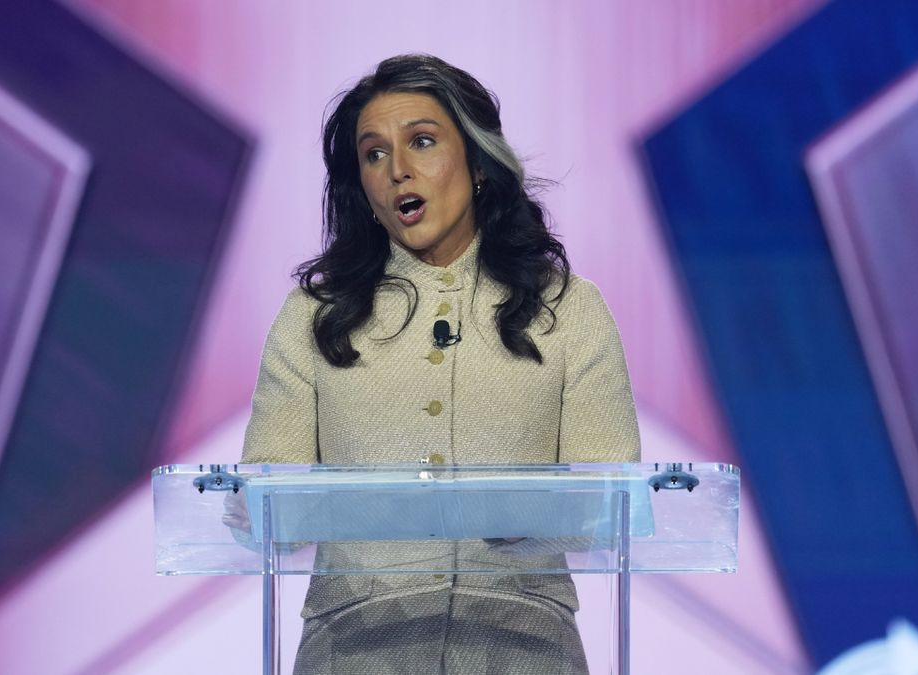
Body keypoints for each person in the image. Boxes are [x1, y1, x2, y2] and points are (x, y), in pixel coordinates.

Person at [237, 54, 641, 675]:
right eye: (373, 154)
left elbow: (612, 501)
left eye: (421, 142)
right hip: (357, 644)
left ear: (478, 163)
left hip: (523, 644)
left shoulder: (567, 306)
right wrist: (254, 501)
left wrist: (525, 512)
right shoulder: (316, 314)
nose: (397, 170)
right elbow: (266, 511)